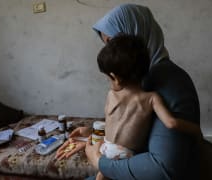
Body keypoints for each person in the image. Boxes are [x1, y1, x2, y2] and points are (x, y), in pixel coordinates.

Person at [56, 4, 201, 180]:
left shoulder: (170, 83)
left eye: (113, 42)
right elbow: (133, 129)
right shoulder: (143, 80)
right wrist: (94, 136)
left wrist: (100, 161)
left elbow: (162, 169)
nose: (110, 52)